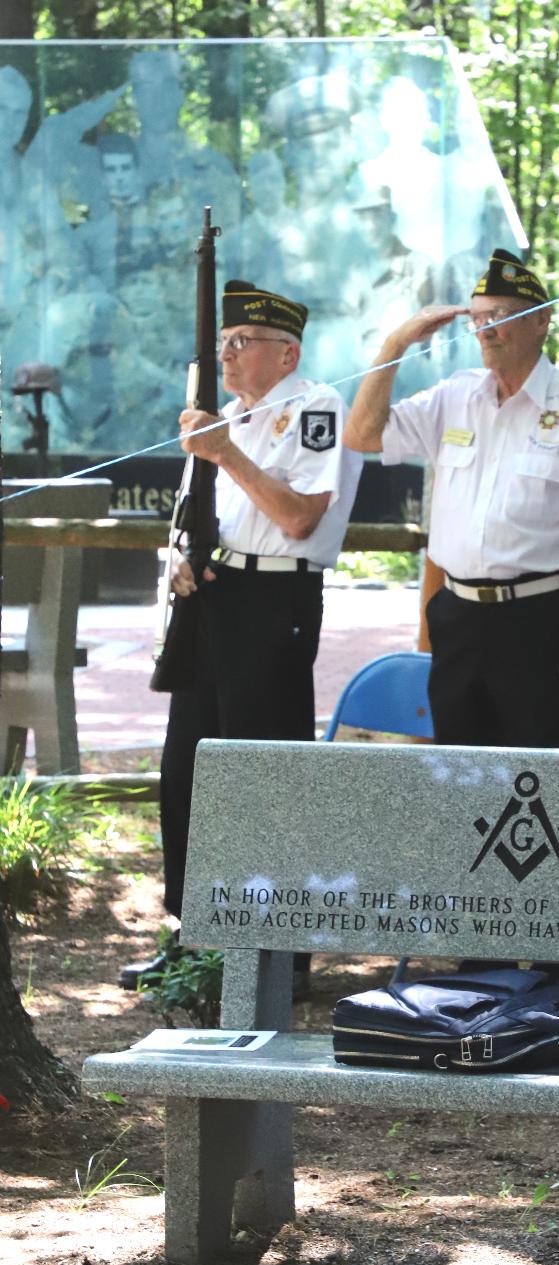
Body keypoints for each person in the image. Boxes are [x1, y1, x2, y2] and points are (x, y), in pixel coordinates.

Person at [119, 280, 362, 993]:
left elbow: (297, 519)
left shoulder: (312, 407)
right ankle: (192, 935)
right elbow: (200, 516)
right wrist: (182, 558)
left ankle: (279, 951)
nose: (225, 354)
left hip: (275, 596)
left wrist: (227, 452)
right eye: (222, 342)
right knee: (188, 769)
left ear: (285, 353)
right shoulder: (224, 419)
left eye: (240, 343)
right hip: (217, 597)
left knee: (265, 768)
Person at [344, 248, 559, 749]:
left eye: (500, 317)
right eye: (479, 318)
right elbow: (363, 435)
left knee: (544, 786)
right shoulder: (453, 397)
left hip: (541, 623)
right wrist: (396, 344)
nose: (485, 330)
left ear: (542, 321)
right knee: (461, 783)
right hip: (459, 620)